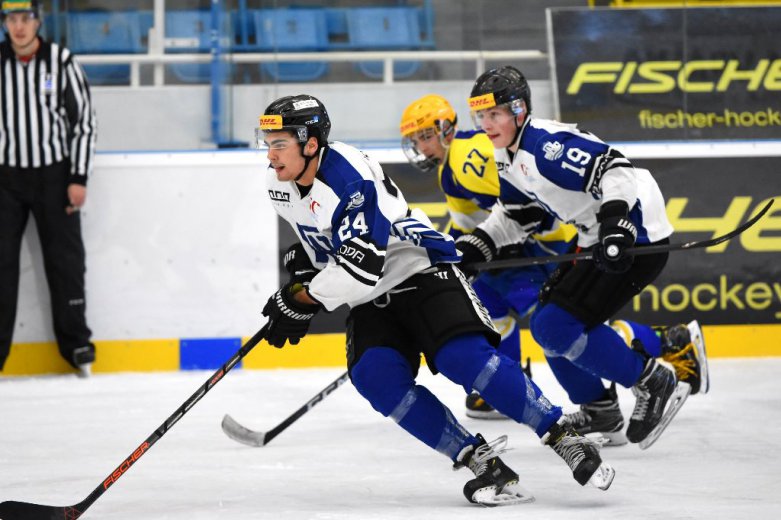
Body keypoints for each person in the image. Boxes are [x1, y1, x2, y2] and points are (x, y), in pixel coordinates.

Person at [256, 93, 615, 506]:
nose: (270, 155)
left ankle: (563, 437)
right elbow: (324, 239)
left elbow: (361, 267)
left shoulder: (348, 176)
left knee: (462, 357)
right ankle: (480, 461)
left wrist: (303, 299)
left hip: (420, 270)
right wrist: (306, 268)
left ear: (310, 144)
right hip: (369, 297)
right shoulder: (278, 184)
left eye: (279, 144)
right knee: (375, 377)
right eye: (267, 144)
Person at [457, 65, 706, 448]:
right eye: (481, 115)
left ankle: (652, 380)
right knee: (549, 321)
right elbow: (519, 215)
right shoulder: (505, 152)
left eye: (494, 114)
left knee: (555, 325)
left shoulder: (545, 147)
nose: (486, 124)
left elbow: (615, 168)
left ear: (519, 111)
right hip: (597, 235)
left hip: (637, 234)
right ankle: (600, 409)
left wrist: (616, 223)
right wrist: (477, 246)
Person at [399, 94, 576, 419]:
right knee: (486, 300)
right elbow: (468, 223)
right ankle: (510, 385)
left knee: (570, 325)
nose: (421, 146)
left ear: (445, 128)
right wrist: (440, 255)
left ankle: (660, 345)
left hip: (546, 247)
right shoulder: (452, 164)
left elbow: (526, 197)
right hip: (529, 246)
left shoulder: (467, 157)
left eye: (425, 136)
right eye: (415, 140)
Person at [0, 0, 97, 377]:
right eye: (12, 19)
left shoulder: (61, 61)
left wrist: (78, 176)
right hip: (5, 179)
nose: (19, 26)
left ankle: (77, 346)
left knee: (66, 263)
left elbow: (84, 121)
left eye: (25, 18)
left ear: (37, 21)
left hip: (54, 178)